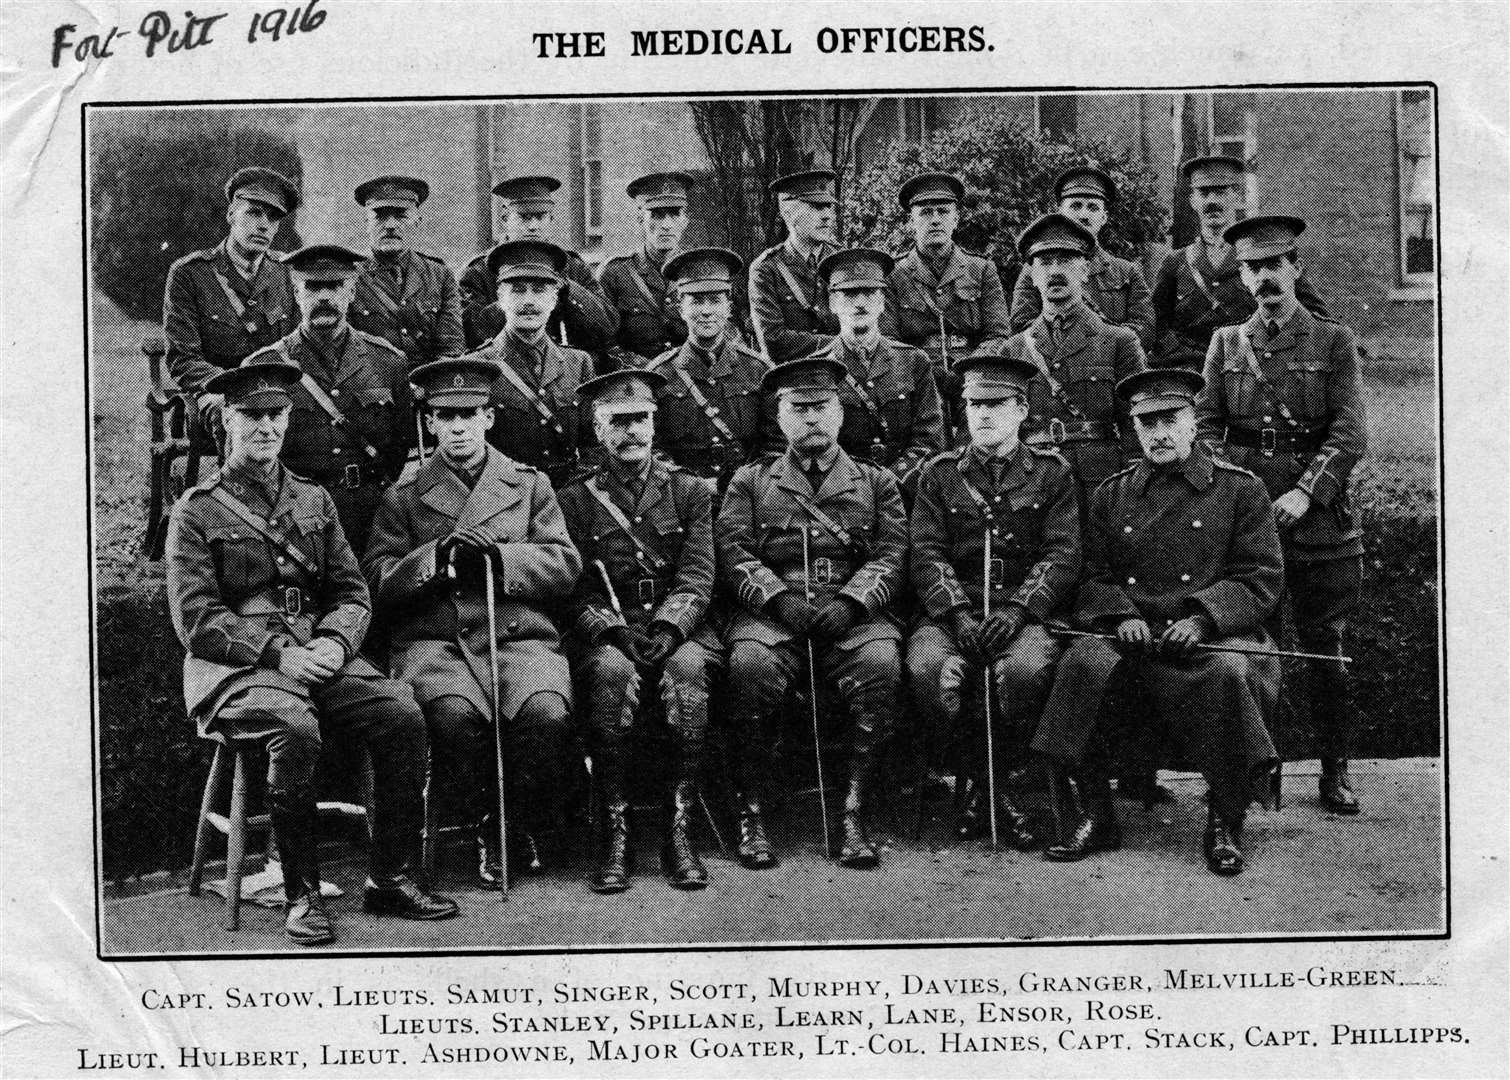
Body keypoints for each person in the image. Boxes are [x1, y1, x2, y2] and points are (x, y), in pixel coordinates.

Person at [166, 361, 456, 946]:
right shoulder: (196, 510)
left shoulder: (313, 498)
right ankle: (300, 894)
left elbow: (351, 591)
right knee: (295, 729)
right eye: (251, 416)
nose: (265, 427)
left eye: (275, 415)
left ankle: (390, 877)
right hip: (235, 669)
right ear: (227, 421)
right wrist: (277, 653)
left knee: (399, 711)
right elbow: (196, 620)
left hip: (316, 654)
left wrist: (334, 641)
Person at [1032, 368, 1284, 875]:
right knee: (1084, 664)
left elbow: (1259, 575)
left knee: (1229, 674)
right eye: (1147, 424)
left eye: (1170, 420)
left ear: (1194, 423)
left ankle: (1225, 817)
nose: (1159, 434)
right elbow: (1094, 573)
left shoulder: (1239, 490)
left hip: (1213, 632)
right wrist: (1120, 614)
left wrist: (1204, 619)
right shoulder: (1112, 493)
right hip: (1133, 631)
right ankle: (1094, 813)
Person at [362, 356, 582, 885]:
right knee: (456, 720)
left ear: (489, 418)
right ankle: (488, 824)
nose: (458, 428)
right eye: (446, 417)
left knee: (545, 715)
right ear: (430, 423)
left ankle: (511, 822)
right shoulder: (405, 495)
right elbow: (378, 577)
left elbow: (564, 563)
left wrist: (503, 559)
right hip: (437, 641)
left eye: (470, 414)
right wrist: (436, 558)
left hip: (517, 636)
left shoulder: (529, 486)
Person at [1196, 214, 1369, 814]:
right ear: (1241, 277)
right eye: (1252, 268)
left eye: (1275, 266)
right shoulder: (1226, 344)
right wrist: (1237, 497)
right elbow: (1209, 427)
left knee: (1326, 647)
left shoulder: (1332, 342)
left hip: (1316, 521)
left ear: (1295, 269)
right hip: (1247, 521)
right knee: (1250, 646)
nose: (1265, 278)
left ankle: (1335, 769)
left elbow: (1348, 436)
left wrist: (1304, 492)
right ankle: (1258, 777)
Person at [717, 355, 908, 869]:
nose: (811, 420)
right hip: (772, 612)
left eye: (821, 408)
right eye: (798, 410)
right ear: (780, 418)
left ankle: (853, 811)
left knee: (880, 666)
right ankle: (752, 812)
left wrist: (854, 601)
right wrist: (776, 598)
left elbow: (892, 552)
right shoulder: (750, 481)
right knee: (749, 669)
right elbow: (733, 550)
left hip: (852, 609)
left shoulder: (876, 480)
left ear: (840, 413)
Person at [556, 369, 721, 893]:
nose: (632, 433)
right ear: (598, 429)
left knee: (688, 671)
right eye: (617, 422)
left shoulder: (690, 490)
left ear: (655, 423)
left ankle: (679, 832)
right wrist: (613, 631)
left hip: (679, 627)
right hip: (611, 632)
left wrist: (671, 628)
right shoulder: (574, 500)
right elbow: (575, 586)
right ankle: (615, 831)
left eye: (641, 420)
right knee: (609, 674)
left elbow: (698, 571)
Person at [908, 351, 1081, 847]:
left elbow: (1063, 553)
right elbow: (926, 551)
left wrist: (1021, 609)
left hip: (1021, 613)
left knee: (1024, 674)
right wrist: (957, 613)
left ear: (1023, 411)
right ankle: (980, 785)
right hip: (952, 613)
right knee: (926, 672)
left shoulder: (1052, 474)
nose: (983, 415)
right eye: (973, 405)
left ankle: (1004, 782)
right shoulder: (939, 474)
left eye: (997, 405)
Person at [242, 244, 414, 555]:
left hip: (371, 516)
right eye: (313, 287)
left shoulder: (388, 362)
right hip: (293, 516)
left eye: (334, 286)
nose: (324, 297)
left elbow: (398, 448)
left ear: (351, 293)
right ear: (296, 293)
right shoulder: (265, 367)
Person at [760, 248, 945, 495]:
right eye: (848, 294)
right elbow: (810, 445)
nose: (859, 303)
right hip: (844, 494)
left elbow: (929, 439)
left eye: (869, 293)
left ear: (881, 302)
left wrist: (891, 481)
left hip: (907, 490)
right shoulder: (818, 369)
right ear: (833, 303)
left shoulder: (913, 362)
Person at [990, 213, 1146, 500]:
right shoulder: (1012, 350)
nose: (1055, 271)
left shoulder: (1119, 341)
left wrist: (1133, 489)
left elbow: (1136, 426)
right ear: (1033, 276)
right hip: (1034, 483)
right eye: (1045, 263)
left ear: (1085, 270)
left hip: (1101, 483)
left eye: (1065, 260)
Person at [1151, 156, 1328, 371]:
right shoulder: (1175, 262)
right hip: (1192, 371)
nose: (1212, 201)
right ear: (1193, 201)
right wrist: (1178, 353)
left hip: (1251, 368)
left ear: (1236, 196)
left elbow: (1312, 313)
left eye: (1221, 192)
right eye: (1204, 193)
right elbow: (1155, 321)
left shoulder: (1264, 259)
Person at [461, 239, 595, 491]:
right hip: (501, 499)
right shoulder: (475, 366)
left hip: (566, 495)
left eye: (539, 290)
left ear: (554, 299)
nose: (529, 301)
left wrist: (574, 494)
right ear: (500, 298)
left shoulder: (578, 364)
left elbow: (593, 445)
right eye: (518, 290)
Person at [163, 167, 300, 413]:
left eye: (273, 218)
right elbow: (183, 358)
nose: (264, 226)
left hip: (278, 390)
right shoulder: (190, 274)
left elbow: (302, 346)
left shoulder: (288, 272)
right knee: (230, 412)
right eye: (254, 213)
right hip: (216, 391)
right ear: (231, 215)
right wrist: (235, 385)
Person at [885, 172, 1011, 439]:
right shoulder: (894, 275)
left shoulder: (981, 270)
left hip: (972, 378)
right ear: (911, 221)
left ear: (956, 218)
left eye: (943, 211)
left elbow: (998, 334)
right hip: (917, 378)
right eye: (925, 212)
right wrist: (926, 372)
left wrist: (969, 369)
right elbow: (888, 341)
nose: (935, 220)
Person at [643, 247, 770, 492]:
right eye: (697, 301)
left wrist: (747, 484)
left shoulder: (757, 369)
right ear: (681, 309)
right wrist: (689, 485)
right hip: (683, 498)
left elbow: (775, 443)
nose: (706, 311)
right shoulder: (660, 375)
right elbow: (651, 447)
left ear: (729, 307)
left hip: (748, 496)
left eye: (715, 300)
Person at [458, 175, 618, 359]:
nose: (533, 226)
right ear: (505, 219)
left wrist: (568, 289)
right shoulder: (479, 271)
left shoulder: (572, 266)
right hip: (505, 369)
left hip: (566, 369)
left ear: (551, 219)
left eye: (540, 217)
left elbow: (608, 328)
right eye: (524, 217)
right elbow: (472, 334)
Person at [1010, 165, 1155, 350]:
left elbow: (1145, 329)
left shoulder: (1126, 272)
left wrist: (1100, 348)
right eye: (1076, 205)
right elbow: (1022, 324)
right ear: (1060, 211)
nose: (1084, 215)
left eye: (1093, 208)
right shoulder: (1035, 268)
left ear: (1104, 217)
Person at [347, 175, 466, 370]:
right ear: (366, 222)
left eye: (401, 215)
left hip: (427, 389)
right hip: (373, 391)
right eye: (379, 215)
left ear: (417, 220)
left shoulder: (440, 275)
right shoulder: (349, 277)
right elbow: (346, 352)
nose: (390, 225)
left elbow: (451, 349)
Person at [599, 171, 695, 365]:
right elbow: (604, 343)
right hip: (637, 381)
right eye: (657, 215)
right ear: (640, 218)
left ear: (685, 221)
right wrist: (649, 369)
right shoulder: (615, 274)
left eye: (675, 214)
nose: (666, 225)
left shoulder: (698, 271)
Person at [748, 169, 841, 363]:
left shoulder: (840, 261)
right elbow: (774, 341)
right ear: (788, 213)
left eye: (828, 207)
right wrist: (843, 344)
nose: (827, 216)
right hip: (793, 381)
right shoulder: (766, 269)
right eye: (816, 207)